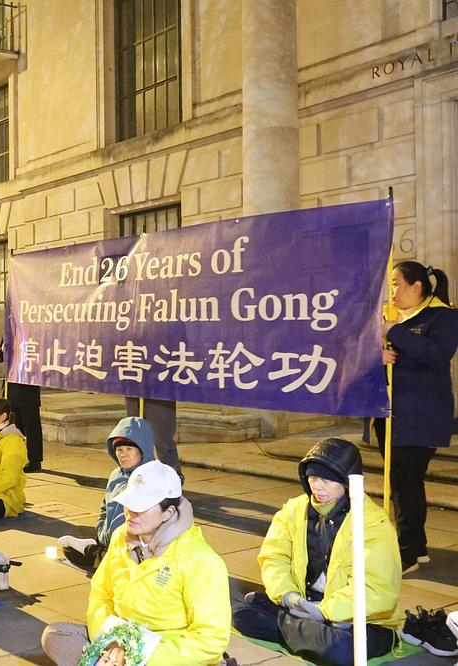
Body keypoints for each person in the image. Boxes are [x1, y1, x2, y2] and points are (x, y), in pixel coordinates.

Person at [42, 461, 231, 666]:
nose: (131, 512)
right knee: (56, 635)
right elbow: (101, 594)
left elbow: (211, 641)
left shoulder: (200, 559)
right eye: (129, 503)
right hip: (119, 641)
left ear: (168, 512)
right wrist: (111, 644)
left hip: (165, 655)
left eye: (141, 507)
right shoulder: (121, 536)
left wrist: (137, 656)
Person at [231, 438, 401, 664]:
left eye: (326, 480)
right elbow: (274, 558)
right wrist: (287, 595)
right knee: (240, 614)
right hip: (303, 603)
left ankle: (292, 625)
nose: (317, 487)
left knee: (339, 650)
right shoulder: (294, 510)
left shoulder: (372, 523)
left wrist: (325, 612)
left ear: (347, 482)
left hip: (358, 619)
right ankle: (304, 630)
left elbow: (376, 588)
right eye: (312, 478)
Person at [375, 260, 458, 573]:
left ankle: (406, 554)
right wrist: (378, 355)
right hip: (390, 415)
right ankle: (417, 547)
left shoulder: (443, 316)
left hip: (420, 417)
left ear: (417, 286)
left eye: (397, 284)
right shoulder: (392, 317)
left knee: (404, 483)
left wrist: (394, 331)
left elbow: (436, 354)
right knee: (405, 484)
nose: (392, 291)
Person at [59, 416, 175, 571]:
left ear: (143, 450)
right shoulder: (116, 475)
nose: (123, 454)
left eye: (129, 449)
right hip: (109, 539)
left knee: (119, 565)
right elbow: (104, 508)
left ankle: (96, 552)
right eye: (119, 450)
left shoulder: (152, 478)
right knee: (70, 551)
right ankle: (98, 549)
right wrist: (101, 531)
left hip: (135, 544)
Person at [0, 338, 44, 472]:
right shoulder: (8, 333)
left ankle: (34, 460)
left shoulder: (34, 335)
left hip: (28, 386)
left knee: (31, 427)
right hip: (10, 387)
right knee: (14, 426)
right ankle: (17, 457)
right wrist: (3, 349)